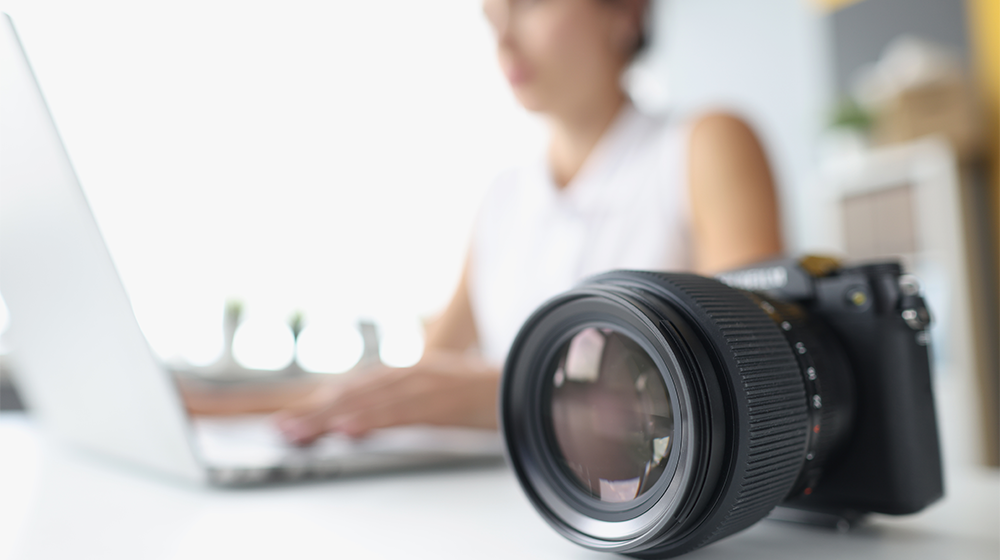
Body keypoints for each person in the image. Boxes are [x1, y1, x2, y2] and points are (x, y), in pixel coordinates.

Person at [183, 0, 783, 445]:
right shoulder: (505, 196)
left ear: (626, 10)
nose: (504, 40)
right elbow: (415, 379)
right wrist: (214, 406)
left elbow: (751, 371)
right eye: (492, 16)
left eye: (529, 4)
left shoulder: (702, 145)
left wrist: (515, 392)